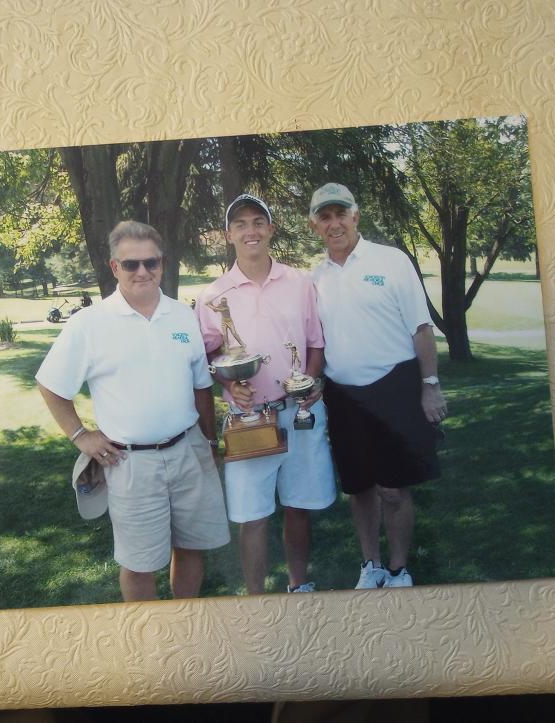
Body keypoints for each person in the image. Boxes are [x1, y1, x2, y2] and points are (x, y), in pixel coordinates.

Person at [35, 220, 229, 602]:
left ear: (162, 264)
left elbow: (200, 387)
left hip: (189, 451)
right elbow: (51, 385)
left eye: (151, 263)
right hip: (130, 464)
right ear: (114, 268)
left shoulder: (182, 317)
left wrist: (210, 440)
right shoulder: (88, 324)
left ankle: (182, 624)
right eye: (131, 265)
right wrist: (81, 435)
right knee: (140, 564)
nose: (142, 272)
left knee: (191, 548)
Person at [196, 194, 336, 595]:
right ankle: (257, 600)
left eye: (258, 222)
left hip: (300, 413)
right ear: (228, 235)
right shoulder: (212, 296)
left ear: (271, 229)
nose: (250, 231)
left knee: (298, 507)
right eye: (240, 224)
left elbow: (315, 342)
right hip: (248, 419)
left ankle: (299, 585)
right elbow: (207, 354)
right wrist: (227, 386)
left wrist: (311, 384)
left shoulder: (299, 283)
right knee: (251, 516)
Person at [309, 182, 447, 589]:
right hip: (342, 395)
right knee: (359, 488)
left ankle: (399, 568)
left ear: (355, 216)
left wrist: (431, 385)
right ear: (314, 225)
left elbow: (421, 328)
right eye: (325, 216)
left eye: (341, 214)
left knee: (392, 488)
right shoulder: (315, 277)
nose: (334, 224)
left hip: (394, 388)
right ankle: (370, 566)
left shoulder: (391, 260)